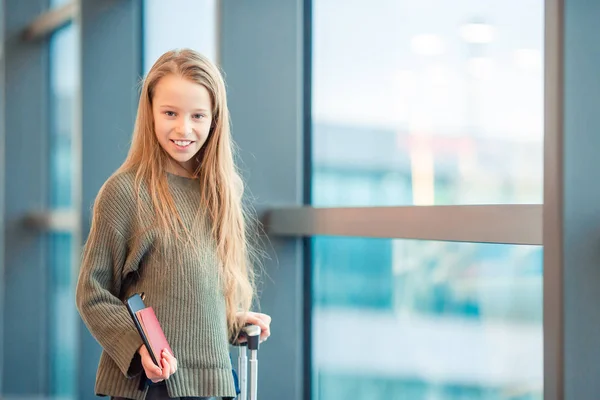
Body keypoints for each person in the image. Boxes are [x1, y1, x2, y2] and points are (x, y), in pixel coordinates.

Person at [76, 48, 271, 400]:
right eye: (170, 113)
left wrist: (229, 322)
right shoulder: (126, 193)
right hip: (153, 387)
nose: (184, 128)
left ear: (215, 119)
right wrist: (137, 348)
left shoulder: (219, 193)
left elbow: (189, 290)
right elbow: (92, 292)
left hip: (213, 384)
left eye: (198, 115)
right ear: (149, 113)